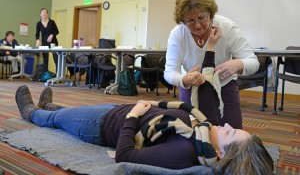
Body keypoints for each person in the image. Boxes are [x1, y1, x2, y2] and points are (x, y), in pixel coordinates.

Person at [15, 35, 273, 174]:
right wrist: (212, 47)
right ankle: (52, 109)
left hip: (105, 124)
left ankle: (32, 112)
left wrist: (134, 114)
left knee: (56, 122)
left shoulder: (184, 152)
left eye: (231, 132)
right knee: (66, 114)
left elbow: (125, 156)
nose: (227, 125)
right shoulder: (208, 131)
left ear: (220, 154)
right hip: (117, 112)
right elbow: (205, 80)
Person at [164, 0, 260, 129]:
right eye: (189, 21)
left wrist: (239, 64)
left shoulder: (228, 28)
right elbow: (169, 72)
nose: (197, 25)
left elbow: (253, 62)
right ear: (182, 19)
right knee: (191, 132)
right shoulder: (177, 34)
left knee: (232, 132)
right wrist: (184, 79)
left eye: (202, 18)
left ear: (211, 13)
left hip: (224, 84)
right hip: (191, 86)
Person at [35, 8, 59, 73]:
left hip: (53, 42)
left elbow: (57, 31)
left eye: (45, 12)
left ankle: (58, 75)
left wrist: (52, 35)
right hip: (44, 43)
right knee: (45, 59)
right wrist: (37, 40)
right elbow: (37, 33)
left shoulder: (52, 22)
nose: (44, 13)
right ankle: (45, 75)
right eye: (42, 12)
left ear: (47, 14)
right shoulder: (39, 23)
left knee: (56, 59)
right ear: (40, 14)